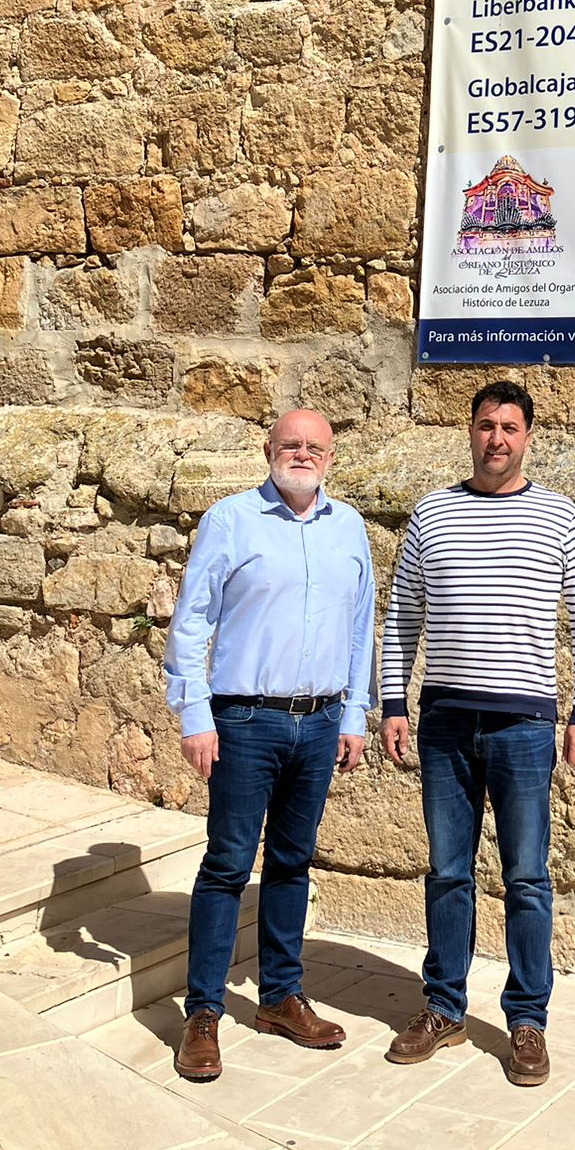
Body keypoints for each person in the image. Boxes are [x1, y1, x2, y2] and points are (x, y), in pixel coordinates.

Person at [379, 379, 575, 1087]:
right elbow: (401, 619)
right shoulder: (432, 514)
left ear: (527, 436)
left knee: (527, 879)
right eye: (485, 425)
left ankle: (527, 1021)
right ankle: (443, 1007)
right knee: (448, 873)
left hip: (524, 725)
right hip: (446, 720)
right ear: (470, 433)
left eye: (509, 426)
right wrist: (393, 703)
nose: (496, 438)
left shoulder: (560, 518)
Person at [163, 408, 375, 1082]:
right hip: (244, 721)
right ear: (268, 450)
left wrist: (354, 713)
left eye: (314, 446)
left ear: (330, 457)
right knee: (227, 865)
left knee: (291, 861)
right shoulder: (230, 521)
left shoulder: (350, 528)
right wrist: (194, 714)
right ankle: (202, 1013)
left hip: (318, 722)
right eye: (291, 444)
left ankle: (281, 996)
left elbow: (360, 623)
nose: (302, 454)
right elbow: (192, 623)